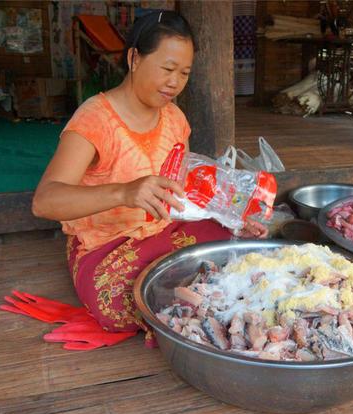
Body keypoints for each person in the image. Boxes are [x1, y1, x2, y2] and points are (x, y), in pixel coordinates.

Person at [31, 10, 267, 347]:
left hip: (166, 229)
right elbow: (44, 201)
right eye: (167, 69)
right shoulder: (94, 119)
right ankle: (197, 302)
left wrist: (228, 218)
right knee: (118, 304)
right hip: (108, 244)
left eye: (184, 73)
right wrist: (124, 193)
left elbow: (181, 195)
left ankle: (188, 299)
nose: (175, 82)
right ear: (134, 58)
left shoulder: (174, 119)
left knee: (240, 246)